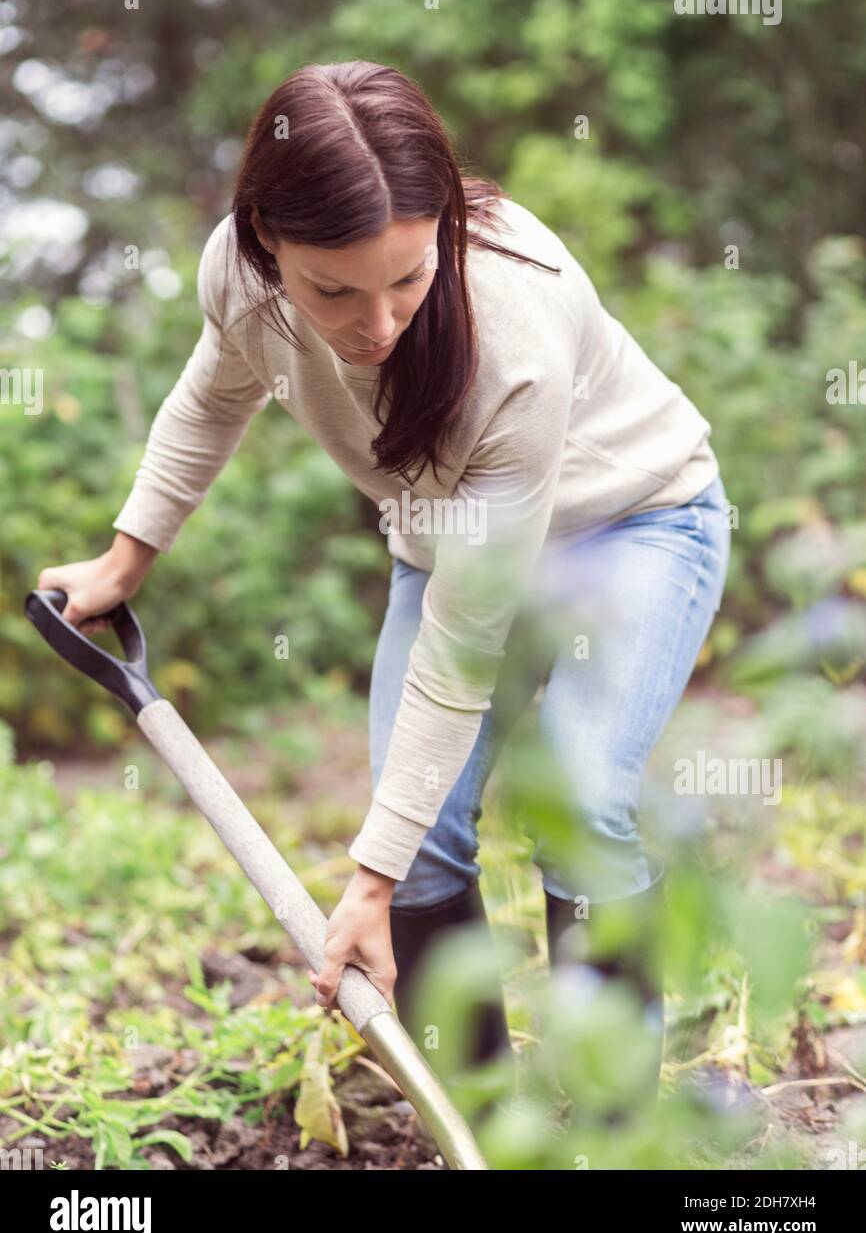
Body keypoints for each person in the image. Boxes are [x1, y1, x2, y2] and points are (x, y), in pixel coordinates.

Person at [37, 60, 730, 1102]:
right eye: (334, 290)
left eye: (409, 277)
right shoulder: (237, 272)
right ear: (268, 238)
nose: (376, 325)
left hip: (631, 525)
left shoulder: (515, 334)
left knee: (582, 799)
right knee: (422, 824)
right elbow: (211, 394)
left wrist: (366, 883)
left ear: (444, 224)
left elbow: (462, 649)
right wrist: (125, 557)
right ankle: (483, 1110)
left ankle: (613, 1108)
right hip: (445, 543)